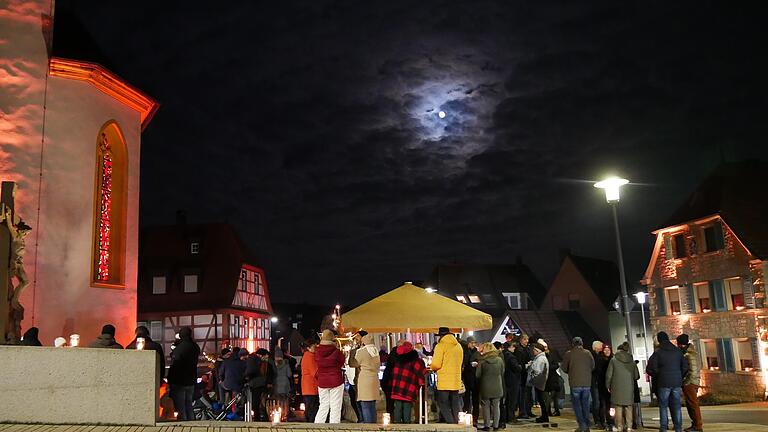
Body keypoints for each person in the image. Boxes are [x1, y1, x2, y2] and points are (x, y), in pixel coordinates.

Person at [647, 331, 688, 432]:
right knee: (677, 405)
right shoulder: (677, 351)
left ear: (659, 340)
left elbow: (651, 368)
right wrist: (679, 376)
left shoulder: (658, 352)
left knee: (663, 406)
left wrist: (659, 375)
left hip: (663, 382)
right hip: (676, 382)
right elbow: (685, 366)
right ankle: (678, 427)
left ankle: (664, 428)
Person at [562, 336, 595, 432]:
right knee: (585, 404)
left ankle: (582, 425)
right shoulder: (588, 353)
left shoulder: (569, 354)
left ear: (572, 344)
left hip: (575, 383)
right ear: (582, 343)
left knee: (577, 406)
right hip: (586, 383)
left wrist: (571, 371)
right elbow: (593, 366)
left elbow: (564, 368)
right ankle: (586, 425)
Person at [431, 326, 464, 423]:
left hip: (444, 380)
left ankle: (451, 423)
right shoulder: (458, 345)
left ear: (440, 336)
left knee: (442, 403)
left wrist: (432, 367)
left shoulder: (441, 345)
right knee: (455, 404)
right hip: (455, 380)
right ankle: (458, 422)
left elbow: (436, 364)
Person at [167, 327, 200, 421]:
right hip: (191, 380)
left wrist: (170, 379)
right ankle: (192, 424)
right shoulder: (195, 346)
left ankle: (184, 425)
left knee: (180, 407)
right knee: (189, 404)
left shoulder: (180, 348)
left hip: (179, 380)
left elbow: (175, 364)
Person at [390, 341, 427, 423]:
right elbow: (421, 372)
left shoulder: (397, 359)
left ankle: (397, 424)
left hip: (397, 386)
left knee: (398, 406)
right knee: (407, 406)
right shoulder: (415, 360)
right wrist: (421, 383)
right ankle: (407, 425)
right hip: (409, 387)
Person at [606, 342, 639, 432]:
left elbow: (609, 375)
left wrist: (608, 385)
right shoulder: (631, 361)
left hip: (616, 388)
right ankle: (629, 427)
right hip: (629, 387)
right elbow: (636, 376)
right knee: (629, 407)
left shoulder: (613, 360)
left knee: (618, 407)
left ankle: (619, 427)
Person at [314, 330, 346, 423]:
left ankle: (317, 426)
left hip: (322, 381)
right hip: (336, 380)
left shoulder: (317, 351)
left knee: (323, 405)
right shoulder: (336, 351)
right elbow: (342, 361)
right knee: (335, 406)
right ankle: (334, 427)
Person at [476, 342, 504, 431]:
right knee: (496, 406)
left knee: (486, 406)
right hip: (497, 385)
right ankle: (495, 425)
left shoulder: (482, 361)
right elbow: (502, 372)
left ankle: (487, 425)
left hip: (485, 386)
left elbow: (477, 375)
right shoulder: (500, 360)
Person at [677, 334, 702, 432]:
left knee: (692, 404)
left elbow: (691, 370)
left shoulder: (688, 355)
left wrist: (685, 381)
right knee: (691, 404)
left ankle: (697, 425)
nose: (678, 346)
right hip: (693, 381)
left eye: (678, 344)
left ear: (681, 344)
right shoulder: (693, 352)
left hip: (690, 382)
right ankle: (695, 424)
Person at [355, 333, 381, 423]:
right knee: (372, 405)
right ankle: (373, 425)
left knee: (365, 405)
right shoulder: (375, 351)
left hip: (365, 380)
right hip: (374, 379)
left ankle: (368, 426)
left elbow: (353, 363)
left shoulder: (362, 351)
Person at [246, 348, 274, 421]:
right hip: (262, 385)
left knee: (257, 402)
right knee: (261, 402)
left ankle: (258, 417)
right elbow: (271, 374)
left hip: (255, 384)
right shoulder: (264, 363)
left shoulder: (252, 361)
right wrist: (269, 383)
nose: (267, 357)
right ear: (262, 355)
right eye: (266, 356)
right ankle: (263, 417)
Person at [528, 339, 550, 424]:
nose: (533, 351)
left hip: (539, 382)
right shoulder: (541, 358)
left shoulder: (540, 359)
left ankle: (544, 416)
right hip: (540, 381)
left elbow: (537, 371)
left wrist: (531, 367)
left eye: (534, 350)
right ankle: (544, 416)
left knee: (541, 400)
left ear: (538, 351)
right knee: (541, 400)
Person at [461, 336, 481, 423]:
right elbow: (464, 364)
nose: (473, 344)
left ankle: (475, 418)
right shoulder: (464, 351)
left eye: (474, 343)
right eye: (472, 343)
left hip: (475, 378)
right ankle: (467, 416)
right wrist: (469, 365)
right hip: (467, 378)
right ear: (468, 343)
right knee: (466, 399)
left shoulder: (476, 352)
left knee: (475, 399)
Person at [502, 342, 522, 424]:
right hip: (513, 380)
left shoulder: (503, 355)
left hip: (506, 379)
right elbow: (517, 368)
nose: (514, 349)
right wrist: (520, 367)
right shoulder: (511, 357)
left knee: (508, 400)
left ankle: (507, 416)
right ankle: (511, 417)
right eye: (513, 347)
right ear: (509, 347)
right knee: (512, 400)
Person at [514, 334, 534, 419]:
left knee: (528, 394)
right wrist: (525, 365)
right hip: (522, 376)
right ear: (521, 340)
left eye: (527, 339)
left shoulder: (527, 349)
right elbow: (518, 363)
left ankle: (528, 411)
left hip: (528, 375)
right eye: (525, 339)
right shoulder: (519, 350)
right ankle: (523, 412)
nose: (527, 341)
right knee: (522, 395)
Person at [301, 338, 319, 423]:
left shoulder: (307, 355)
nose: (316, 347)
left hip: (308, 387)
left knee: (310, 407)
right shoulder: (309, 356)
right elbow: (315, 372)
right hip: (311, 387)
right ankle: (310, 425)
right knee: (312, 408)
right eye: (314, 346)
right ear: (308, 347)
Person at [273, 347, 293, 420]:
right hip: (285, 386)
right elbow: (289, 375)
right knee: (285, 401)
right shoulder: (286, 364)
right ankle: (285, 414)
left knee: (278, 401)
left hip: (277, 385)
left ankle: (279, 415)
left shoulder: (274, 365)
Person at [590, 340, 606, 429]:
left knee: (600, 403)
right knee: (597, 403)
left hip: (598, 382)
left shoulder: (600, 356)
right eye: (601, 347)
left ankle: (601, 420)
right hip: (596, 382)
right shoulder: (593, 357)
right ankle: (598, 420)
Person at [599, 344, 614, 429]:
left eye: (608, 350)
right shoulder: (601, 360)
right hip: (602, 386)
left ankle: (611, 421)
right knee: (603, 405)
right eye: (605, 350)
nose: (607, 351)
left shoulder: (613, 360)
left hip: (611, 386)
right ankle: (604, 421)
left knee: (610, 405)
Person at [545, 346, 562, 417]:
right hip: (551, 378)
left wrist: (548, 367)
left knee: (551, 396)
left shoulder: (550, 356)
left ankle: (549, 411)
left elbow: (556, 365)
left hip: (551, 378)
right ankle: (552, 411)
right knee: (553, 396)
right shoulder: (551, 356)